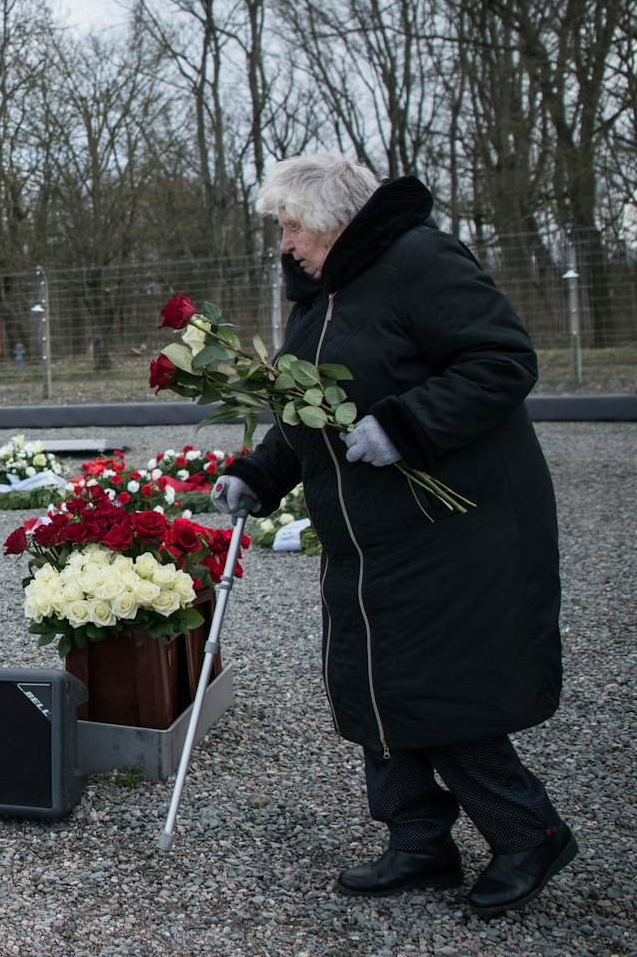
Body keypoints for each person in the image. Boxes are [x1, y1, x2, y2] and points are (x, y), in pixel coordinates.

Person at [212, 153, 570, 919]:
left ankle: (527, 833)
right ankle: (417, 840)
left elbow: (501, 358)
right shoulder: (320, 298)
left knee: (435, 691)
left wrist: (407, 424)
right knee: (376, 688)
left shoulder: (418, 260)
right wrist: (259, 473)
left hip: (451, 527)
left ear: (336, 221)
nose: (285, 243)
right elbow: (308, 413)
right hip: (368, 535)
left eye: (293, 226)